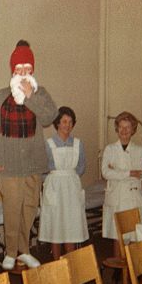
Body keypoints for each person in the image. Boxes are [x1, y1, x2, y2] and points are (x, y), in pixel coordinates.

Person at [0, 40, 57, 270]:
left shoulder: (40, 93)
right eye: (19, 69)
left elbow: (49, 117)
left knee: (29, 208)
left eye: (28, 69)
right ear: (13, 70)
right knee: (12, 209)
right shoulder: (1, 96)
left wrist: (30, 97)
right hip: (9, 164)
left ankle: (24, 250)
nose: (24, 73)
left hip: (33, 163)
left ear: (33, 71)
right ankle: (10, 251)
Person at [38, 106, 89, 259]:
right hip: (54, 188)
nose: (67, 125)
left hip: (72, 188)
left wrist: (69, 178)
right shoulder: (48, 144)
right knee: (56, 228)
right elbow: (40, 169)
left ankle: (70, 265)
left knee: (71, 227)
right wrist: (52, 181)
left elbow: (81, 166)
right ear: (57, 123)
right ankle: (57, 266)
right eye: (64, 121)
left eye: (70, 122)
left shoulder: (78, 144)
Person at [102, 111, 142, 257]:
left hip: (133, 197)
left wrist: (116, 171)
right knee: (117, 234)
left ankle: (133, 267)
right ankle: (118, 269)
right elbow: (105, 173)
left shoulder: (139, 150)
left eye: (127, 127)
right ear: (117, 129)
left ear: (133, 130)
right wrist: (128, 173)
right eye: (121, 127)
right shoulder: (109, 149)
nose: (124, 131)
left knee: (133, 234)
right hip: (116, 196)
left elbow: (140, 175)